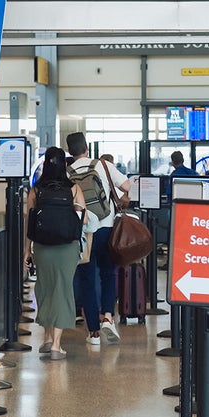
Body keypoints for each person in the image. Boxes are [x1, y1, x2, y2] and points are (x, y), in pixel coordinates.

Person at [25, 146, 89, 360]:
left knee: (45, 289)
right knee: (62, 290)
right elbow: (84, 219)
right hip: (67, 247)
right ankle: (57, 346)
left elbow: (30, 223)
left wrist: (27, 250)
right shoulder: (74, 189)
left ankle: (47, 338)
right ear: (64, 165)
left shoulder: (36, 190)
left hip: (42, 247)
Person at [67, 131, 131, 345]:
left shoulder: (67, 173)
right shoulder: (103, 165)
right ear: (87, 148)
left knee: (86, 279)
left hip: (83, 232)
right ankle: (108, 318)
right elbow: (127, 186)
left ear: (70, 151)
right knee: (108, 274)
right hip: (106, 228)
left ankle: (93, 332)